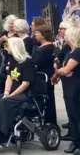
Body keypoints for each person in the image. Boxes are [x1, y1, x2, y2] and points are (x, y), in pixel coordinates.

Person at [0, 37, 36, 146]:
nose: (6, 48)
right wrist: (6, 93)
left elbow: (25, 84)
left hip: (24, 93)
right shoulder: (11, 59)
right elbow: (9, 78)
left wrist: (10, 95)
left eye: (7, 46)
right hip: (12, 92)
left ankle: (2, 133)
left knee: (4, 102)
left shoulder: (27, 61)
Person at [51, 25, 80, 155]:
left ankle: (77, 142)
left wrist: (60, 71)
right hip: (69, 86)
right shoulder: (70, 51)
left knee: (76, 115)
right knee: (72, 114)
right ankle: (75, 141)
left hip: (75, 87)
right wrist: (60, 72)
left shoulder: (77, 52)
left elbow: (67, 69)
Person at [32, 25, 57, 125]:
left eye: (37, 33)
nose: (35, 35)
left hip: (42, 77)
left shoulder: (42, 50)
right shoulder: (52, 47)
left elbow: (35, 63)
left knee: (44, 98)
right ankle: (51, 120)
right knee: (50, 98)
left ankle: (47, 119)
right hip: (50, 75)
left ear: (43, 35)